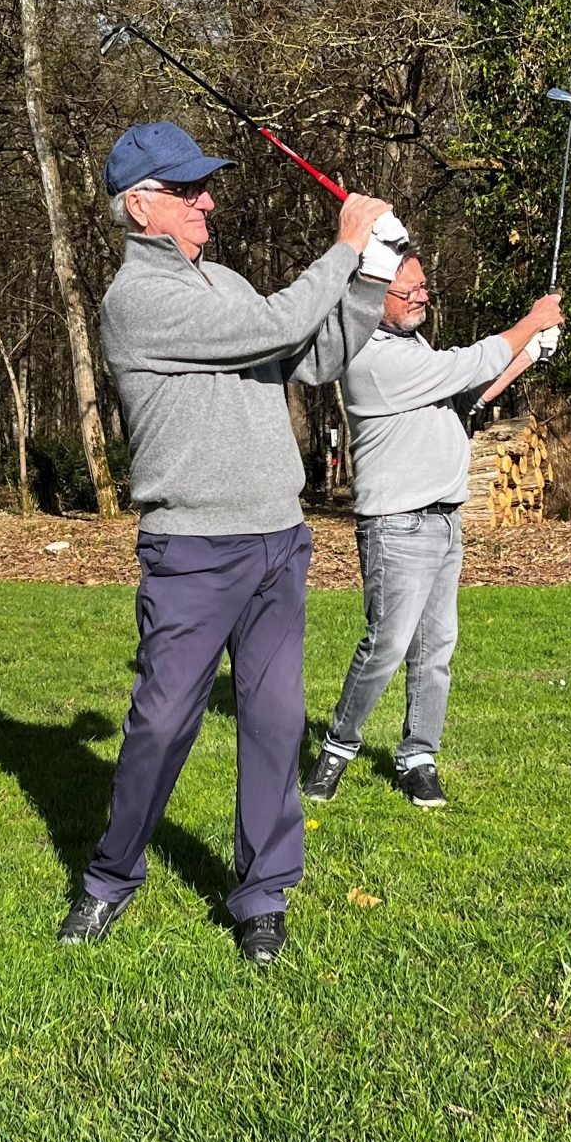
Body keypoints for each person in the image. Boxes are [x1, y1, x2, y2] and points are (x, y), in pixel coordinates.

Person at [60, 119, 399, 965]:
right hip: (193, 550)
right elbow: (278, 327)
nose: (206, 200)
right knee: (161, 724)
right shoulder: (136, 301)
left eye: (203, 186)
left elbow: (311, 356)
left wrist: (373, 274)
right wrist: (344, 247)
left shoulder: (227, 282)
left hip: (278, 539)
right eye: (186, 190)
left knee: (276, 722)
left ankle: (263, 895)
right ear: (140, 207)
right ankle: (110, 877)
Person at [305, 254, 561, 808]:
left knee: (436, 648)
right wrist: (530, 323)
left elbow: (465, 396)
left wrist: (528, 355)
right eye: (410, 290)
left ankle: (418, 757)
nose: (422, 296)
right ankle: (337, 748)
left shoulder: (412, 344)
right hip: (397, 525)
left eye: (424, 286)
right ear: (374, 296)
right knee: (387, 646)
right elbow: (468, 365)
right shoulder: (370, 356)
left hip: (445, 519)